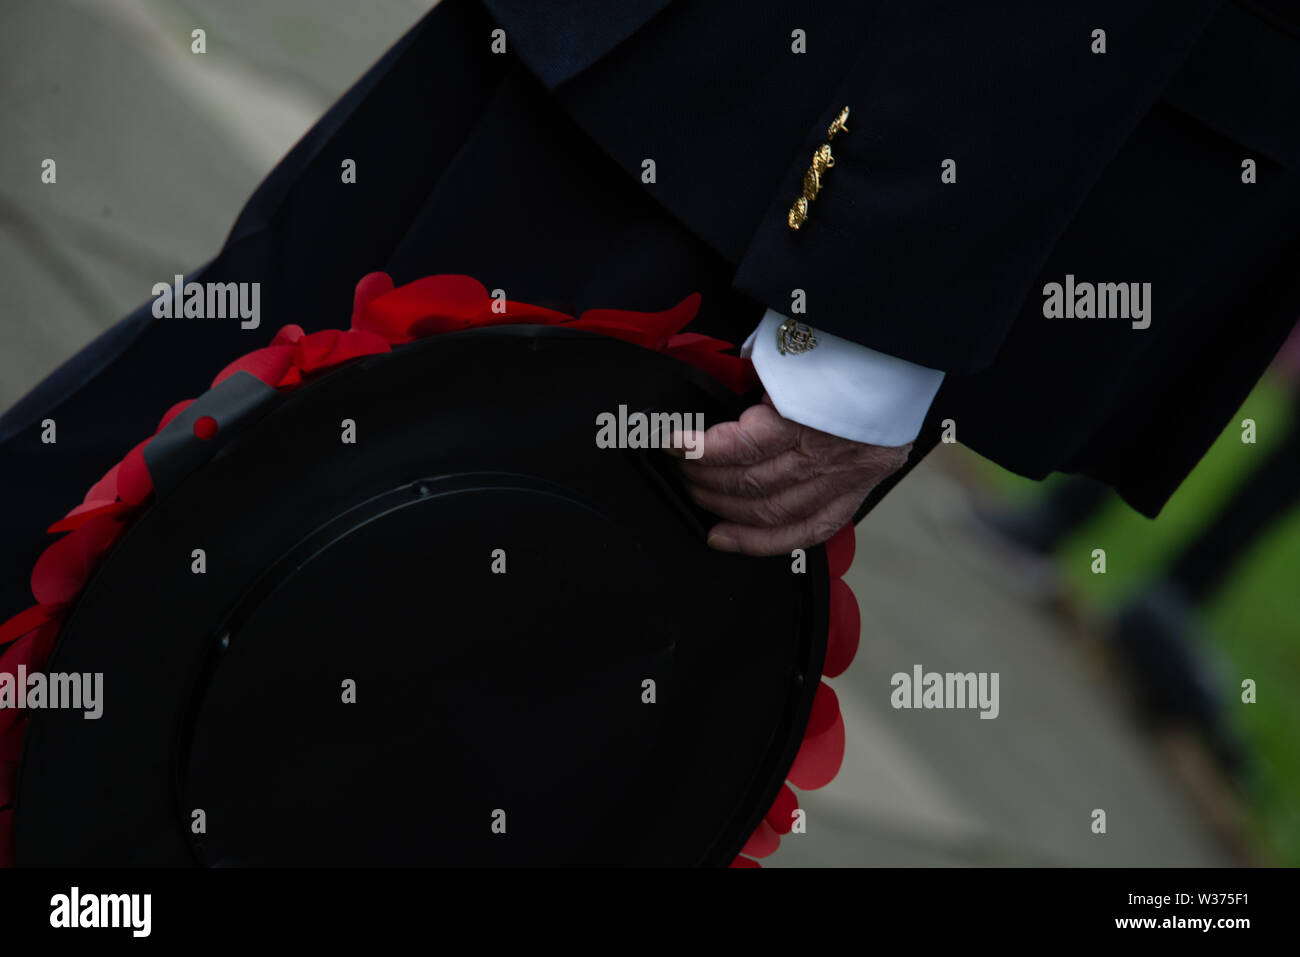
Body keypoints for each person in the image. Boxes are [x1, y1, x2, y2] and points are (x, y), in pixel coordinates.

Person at [2, 0, 1299, 625]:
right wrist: (865, 307)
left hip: (727, 86)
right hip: (796, 149)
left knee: (192, 475)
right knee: (307, 628)